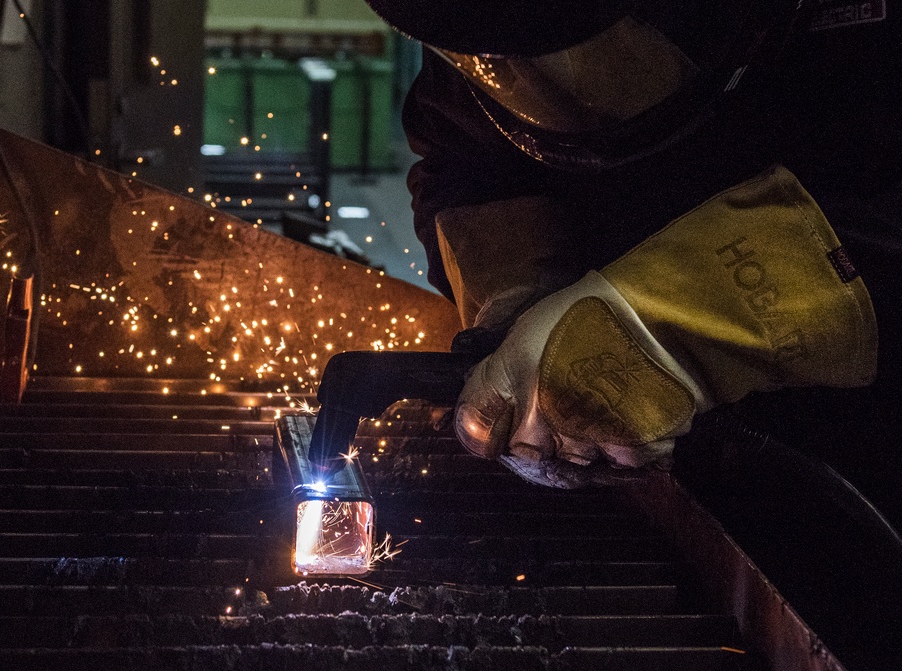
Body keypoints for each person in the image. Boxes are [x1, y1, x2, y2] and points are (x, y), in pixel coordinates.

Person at [362, 0, 902, 515]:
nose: (560, 81)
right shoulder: (479, 27)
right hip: (704, 483)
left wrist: (671, 325)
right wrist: (514, 293)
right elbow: (464, 157)